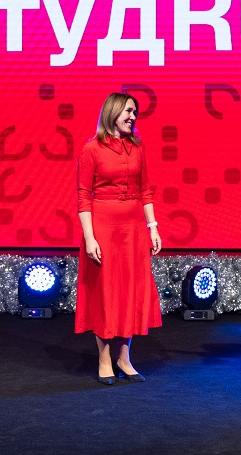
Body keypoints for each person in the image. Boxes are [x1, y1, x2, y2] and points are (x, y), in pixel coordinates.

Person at [76, 92, 163, 385]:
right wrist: (90, 237)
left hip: (133, 230)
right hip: (103, 228)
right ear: (113, 112)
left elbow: (146, 191)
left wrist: (153, 227)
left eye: (135, 112)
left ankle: (124, 358)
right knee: (106, 293)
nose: (132, 117)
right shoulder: (92, 149)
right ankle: (104, 359)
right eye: (128, 111)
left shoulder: (137, 148)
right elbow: (83, 195)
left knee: (130, 292)